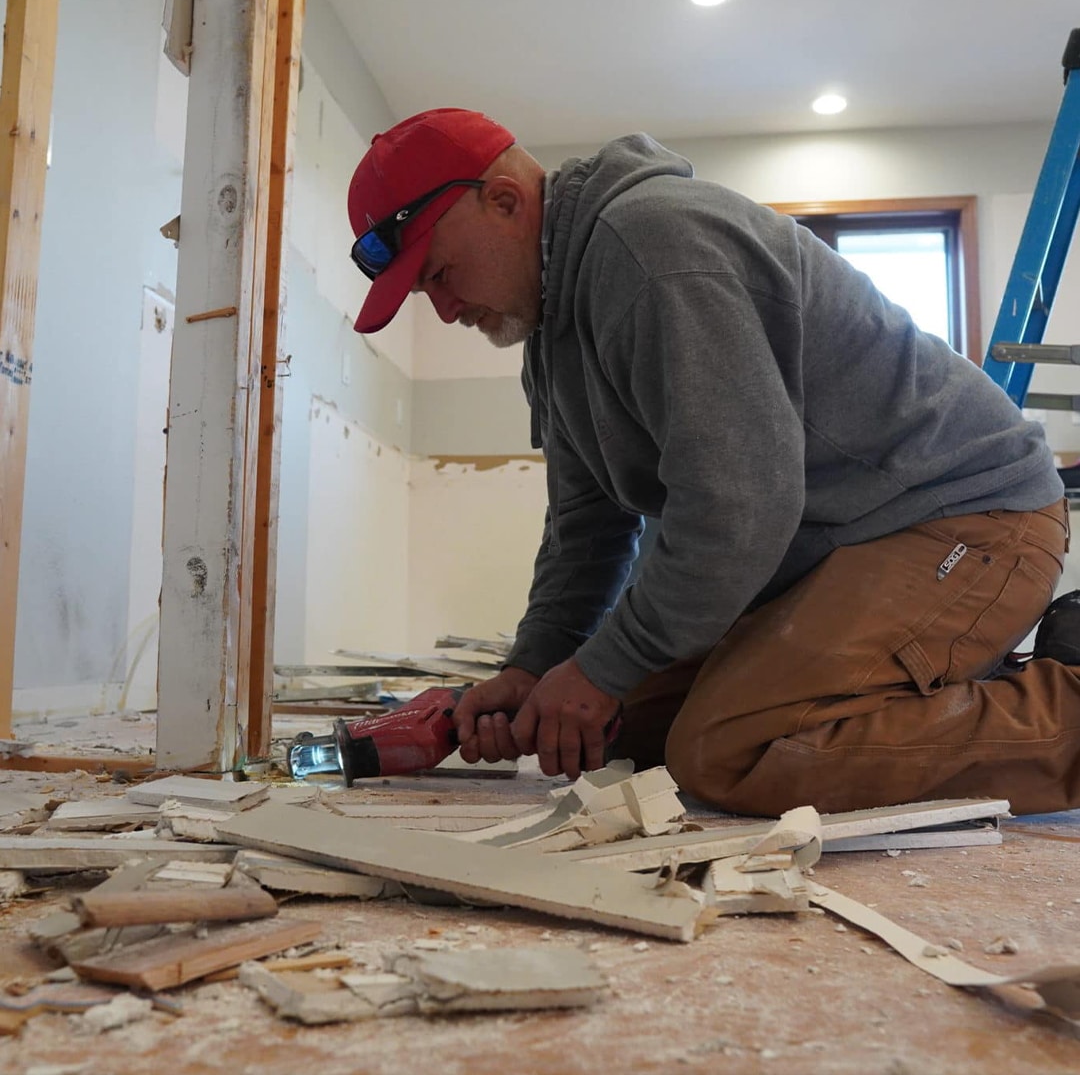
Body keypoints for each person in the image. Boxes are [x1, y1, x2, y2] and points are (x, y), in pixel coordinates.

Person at [346, 107, 1080, 817]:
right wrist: (535, 668)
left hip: (966, 518)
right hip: (841, 548)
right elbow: (588, 529)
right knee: (615, 727)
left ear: (504, 201)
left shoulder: (654, 250)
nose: (443, 309)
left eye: (438, 274)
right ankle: (925, 682)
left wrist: (600, 668)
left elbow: (740, 506)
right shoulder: (552, 341)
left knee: (732, 750)